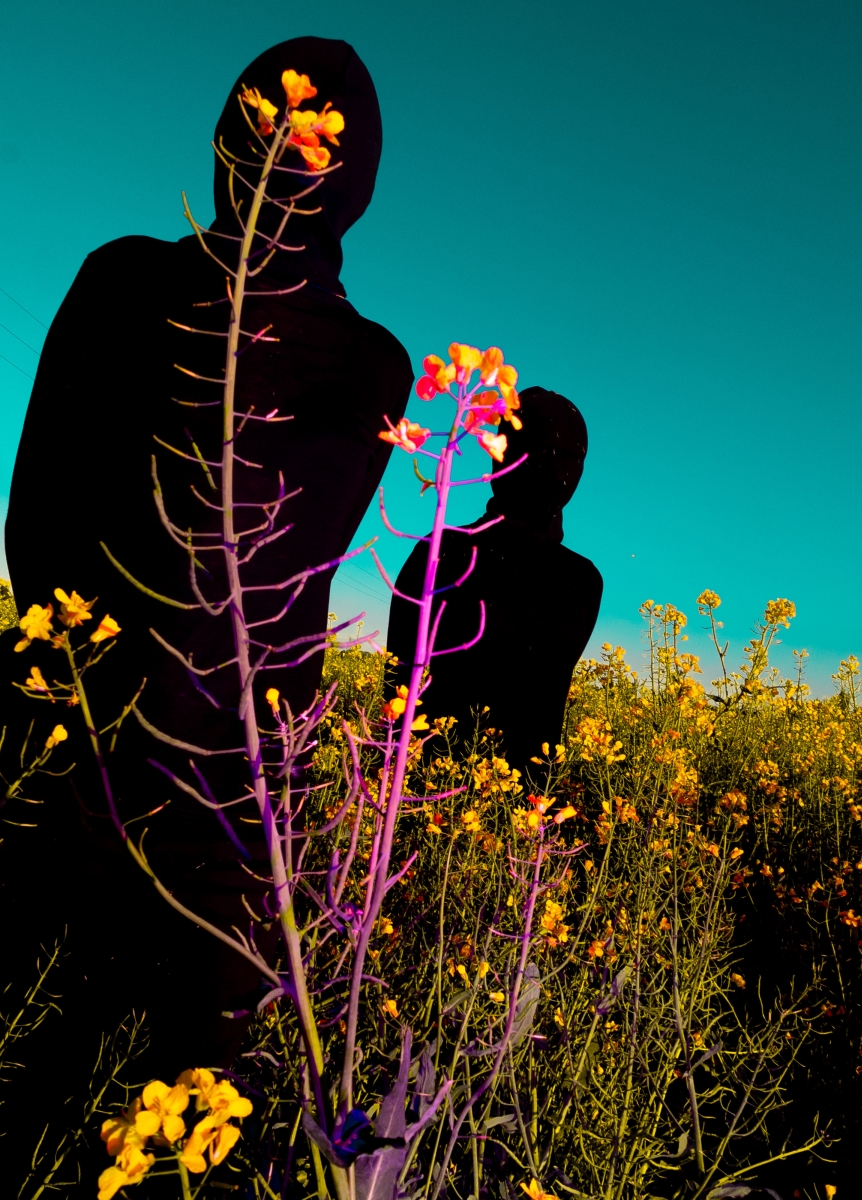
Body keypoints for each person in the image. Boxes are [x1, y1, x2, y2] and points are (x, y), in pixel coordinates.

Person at [0, 36, 411, 1182]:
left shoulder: (364, 362)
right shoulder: (355, 357)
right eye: (274, 122)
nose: (289, 150)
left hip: (192, 790)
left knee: (158, 1118)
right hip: (148, 772)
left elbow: (42, 521)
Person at [387, 387, 602, 773]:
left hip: (429, 787)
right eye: (548, 453)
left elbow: (396, 686)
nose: (560, 472)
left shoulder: (439, 550)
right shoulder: (582, 580)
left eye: (572, 458)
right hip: (503, 801)